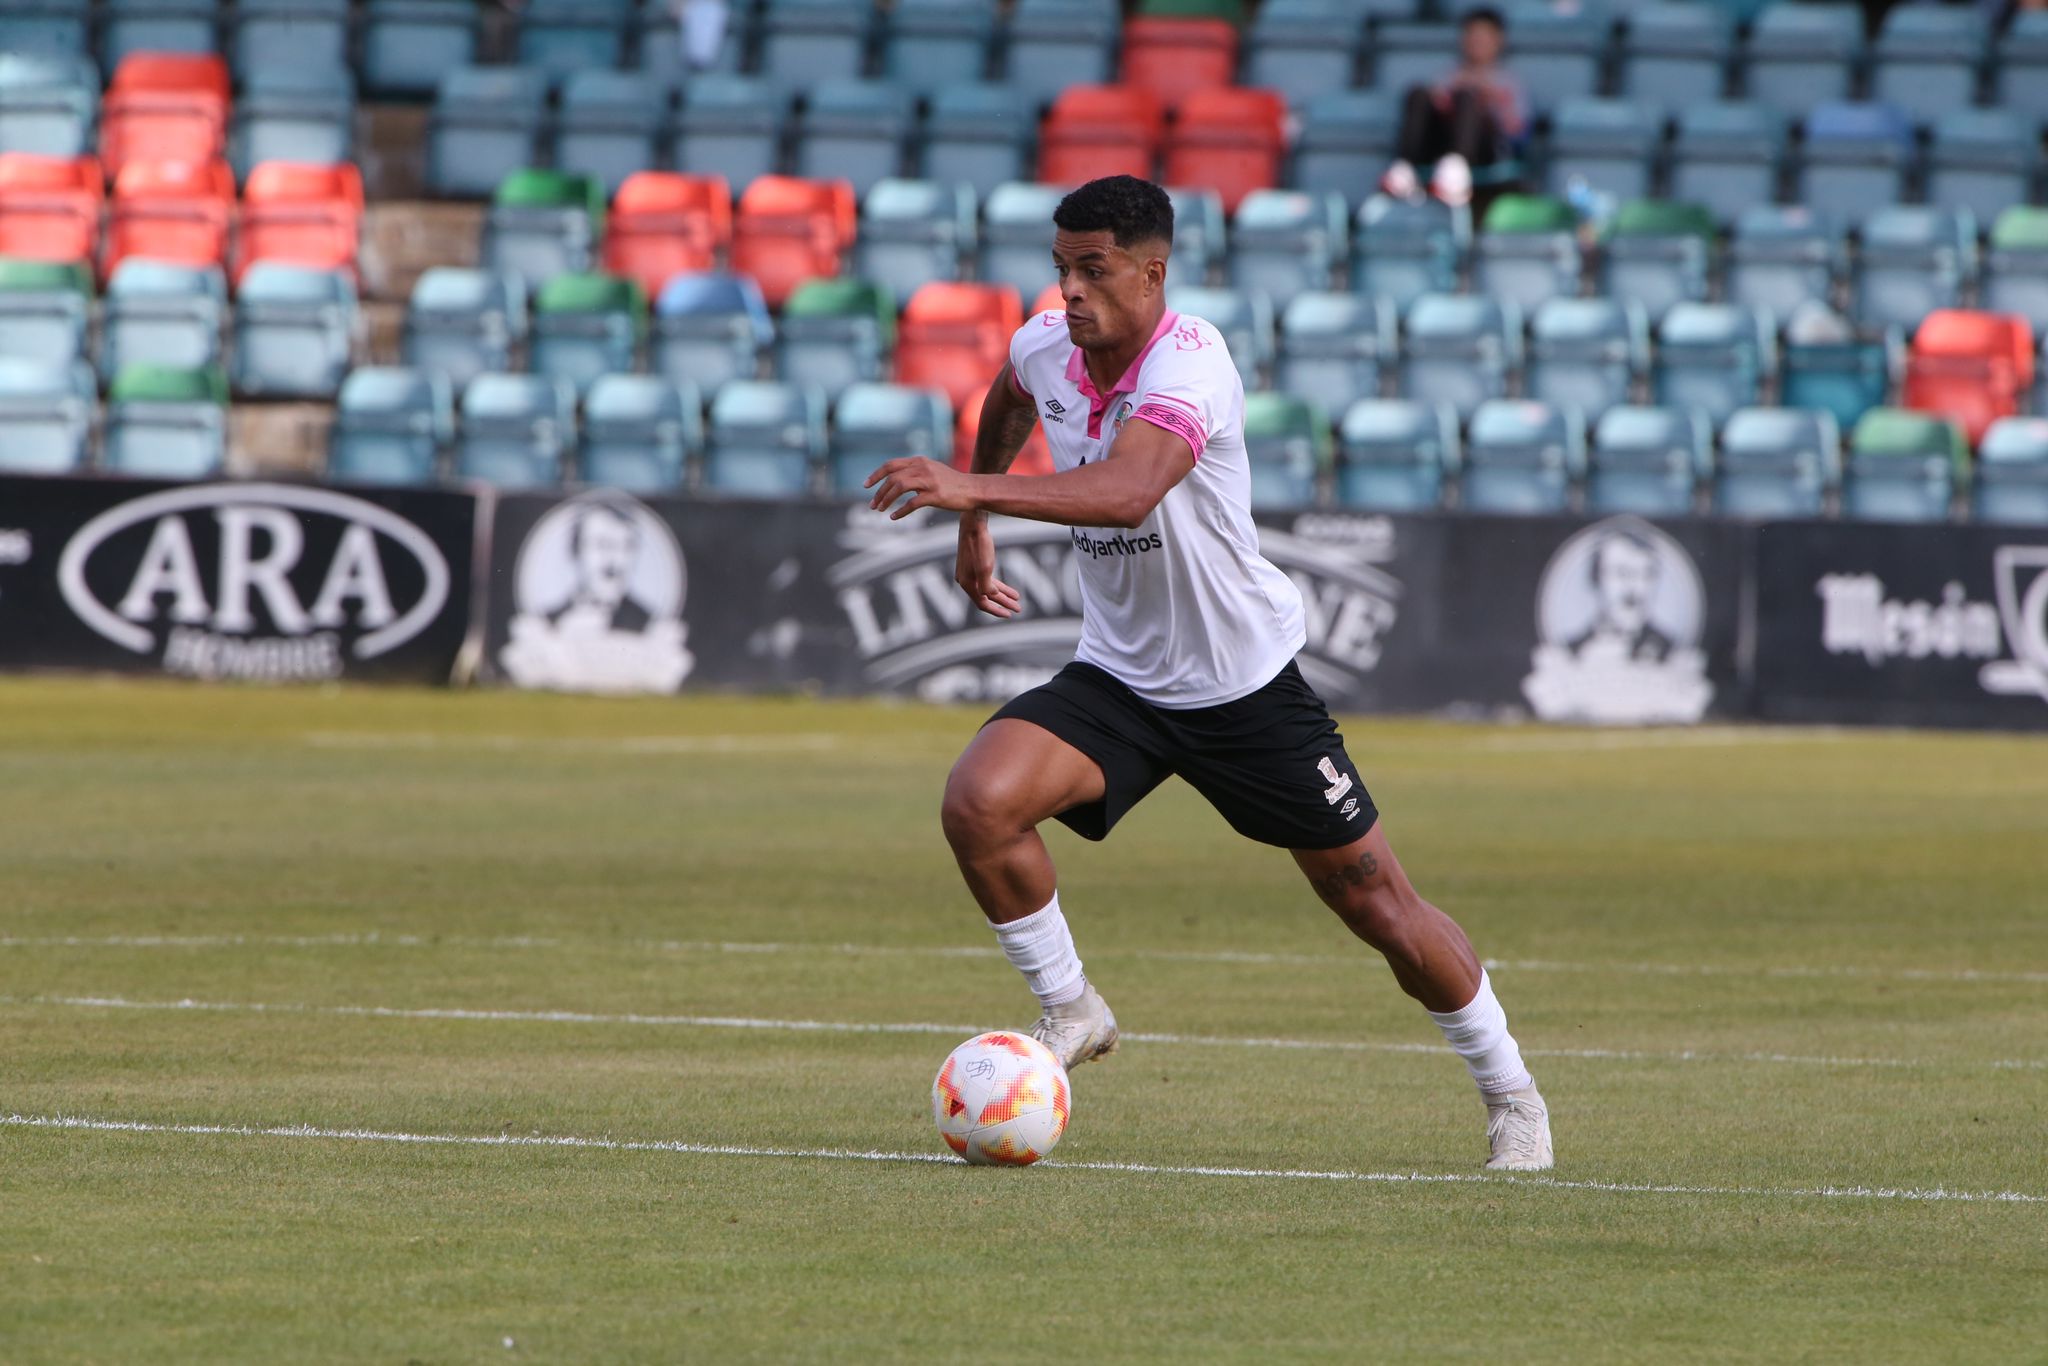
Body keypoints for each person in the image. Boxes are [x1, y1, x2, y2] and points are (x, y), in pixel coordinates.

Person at [864, 175, 1553, 1172]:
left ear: (1152, 271)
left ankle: (1511, 1094)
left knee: (1379, 908)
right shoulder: (1043, 344)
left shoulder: (1192, 362)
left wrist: (968, 487)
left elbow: (1130, 491)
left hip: (1243, 691)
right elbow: (1009, 398)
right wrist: (974, 526)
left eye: (1092, 269)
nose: (1068, 290)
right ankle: (1072, 1010)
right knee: (979, 800)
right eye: (1060, 267)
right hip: (1120, 682)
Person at [1381, 6, 1528, 209]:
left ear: (1498, 40)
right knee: (1418, 94)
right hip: (1440, 148)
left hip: (1485, 154)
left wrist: (1493, 103)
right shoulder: (1449, 76)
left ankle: (1455, 169)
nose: (1476, 43)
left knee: (1467, 97)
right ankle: (1405, 169)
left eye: (1483, 37)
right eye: (1471, 36)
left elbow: (1517, 134)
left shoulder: (1508, 82)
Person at [1569, 531, 1675, 665]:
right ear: (1596, 579)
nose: (1634, 587)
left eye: (1645, 574)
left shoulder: (1673, 651)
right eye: (1621, 573)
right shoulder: (1570, 650)